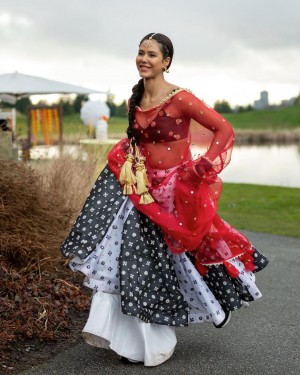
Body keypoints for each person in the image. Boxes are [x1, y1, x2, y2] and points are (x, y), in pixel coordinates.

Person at [61, 32, 268, 367]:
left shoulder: (180, 98)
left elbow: (224, 130)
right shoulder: (135, 98)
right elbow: (137, 142)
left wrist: (202, 166)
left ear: (166, 61)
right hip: (140, 191)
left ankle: (213, 305)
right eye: (140, 53)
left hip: (174, 190)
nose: (144, 59)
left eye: (152, 54)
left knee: (184, 255)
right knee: (130, 258)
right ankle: (135, 341)